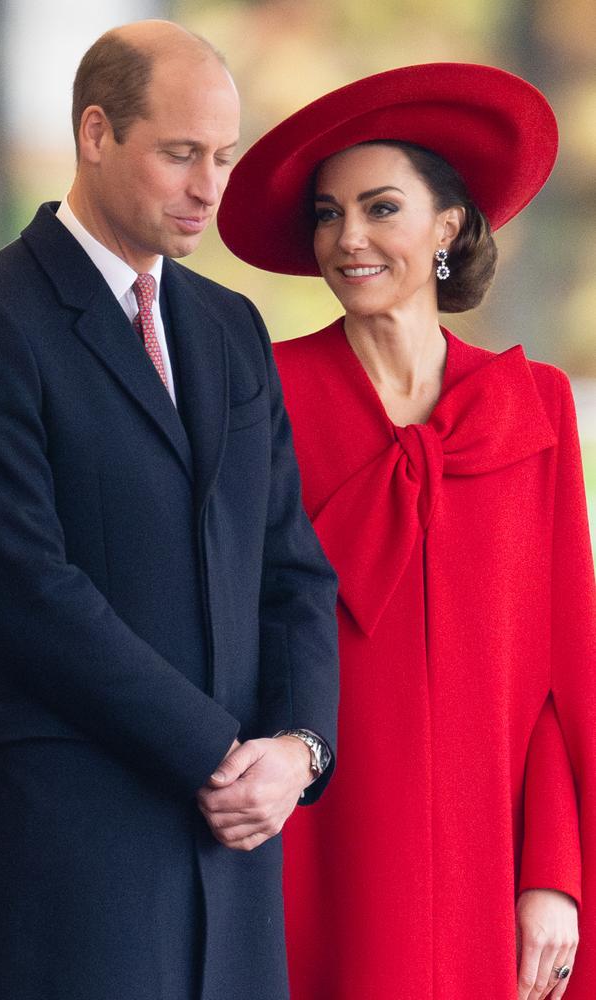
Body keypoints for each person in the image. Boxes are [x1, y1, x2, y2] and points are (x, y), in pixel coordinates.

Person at [0, 20, 339, 1000]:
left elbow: (291, 570)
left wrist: (297, 749)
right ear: (95, 132)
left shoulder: (232, 327)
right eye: (180, 153)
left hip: (238, 866)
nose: (209, 184)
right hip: (77, 865)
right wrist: (218, 754)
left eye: (223, 155)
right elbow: (27, 592)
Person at [218, 63, 596, 1000]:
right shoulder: (263, 395)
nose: (348, 238)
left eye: (381, 208)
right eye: (327, 213)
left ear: (448, 227)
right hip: (319, 850)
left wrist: (551, 871)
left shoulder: (534, 405)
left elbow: (565, 669)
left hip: (488, 868)